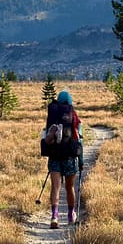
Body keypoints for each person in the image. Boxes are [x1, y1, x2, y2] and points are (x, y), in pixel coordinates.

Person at [44, 88, 84, 227]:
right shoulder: (74, 118)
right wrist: (81, 161)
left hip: (55, 156)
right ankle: (70, 215)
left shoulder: (52, 116)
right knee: (69, 187)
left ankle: (54, 217)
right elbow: (79, 141)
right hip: (70, 157)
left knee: (55, 187)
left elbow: (45, 136)